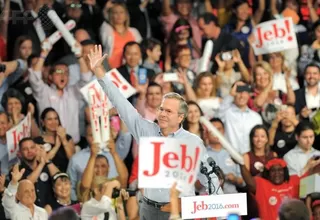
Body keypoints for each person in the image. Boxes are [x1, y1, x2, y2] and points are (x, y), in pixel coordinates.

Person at [88, 45, 221, 219]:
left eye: (169, 111)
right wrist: (100, 73)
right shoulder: (146, 130)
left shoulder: (193, 142)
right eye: (161, 109)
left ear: (181, 117)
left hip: (179, 210)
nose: (163, 114)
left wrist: (218, 213)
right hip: (149, 210)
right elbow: (121, 104)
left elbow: (210, 179)